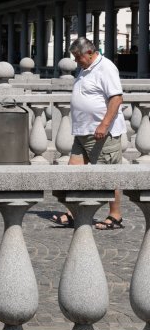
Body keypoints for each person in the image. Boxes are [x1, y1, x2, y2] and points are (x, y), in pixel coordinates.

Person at [51, 37, 126, 229]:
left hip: (101, 133)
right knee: (73, 174)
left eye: (78, 57)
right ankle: (74, 212)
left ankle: (115, 215)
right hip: (83, 133)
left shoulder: (106, 67)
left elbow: (116, 99)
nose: (76, 61)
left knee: (108, 176)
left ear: (90, 52)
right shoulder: (85, 69)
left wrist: (104, 125)